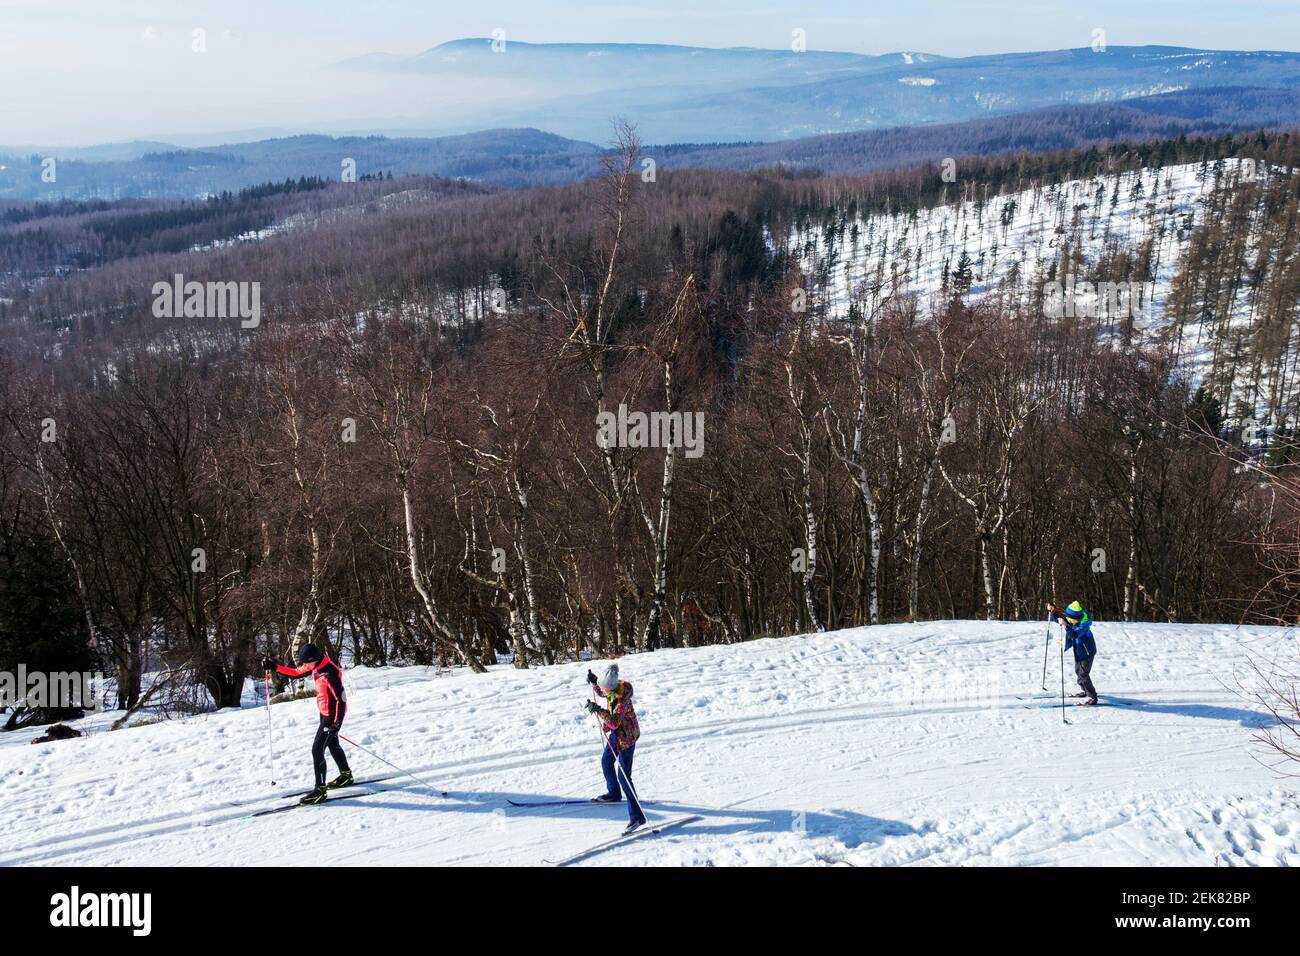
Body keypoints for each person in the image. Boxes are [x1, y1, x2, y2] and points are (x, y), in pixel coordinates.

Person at [262, 643, 353, 805]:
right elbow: (295, 673)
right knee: (332, 744)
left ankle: (320, 791)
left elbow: (342, 700)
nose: (306, 666)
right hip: (323, 711)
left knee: (317, 750)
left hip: (331, 717)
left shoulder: (329, 673)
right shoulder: (315, 664)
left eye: (307, 663)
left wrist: (336, 724)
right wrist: (273, 666)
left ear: (315, 659)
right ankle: (346, 775)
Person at [585, 664, 646, 834]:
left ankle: (637, 817)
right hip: (616, 734)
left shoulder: (622, 700)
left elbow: (613, 722)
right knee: (606, 761)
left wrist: (597, 710)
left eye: (604, 689)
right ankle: (614, 793)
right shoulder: (613, 687)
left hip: (626, 738)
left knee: (624, 776)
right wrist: (595, 682)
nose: (602, 692)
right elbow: (603, 690)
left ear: (611, 688)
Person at [1047, 600, 1098, 705]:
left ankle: (1093, 696)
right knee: (1078, 671)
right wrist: (1054, 612)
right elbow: (1062, 619)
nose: (1069, 620)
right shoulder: (1074, 618)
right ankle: (1085, 690)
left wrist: (1065, 625)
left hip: (1087, 653)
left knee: (1083, 674)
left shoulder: (1084, 624)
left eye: (1071, 619)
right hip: (1078, 651)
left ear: (1077, 618)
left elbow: (1074, 634)